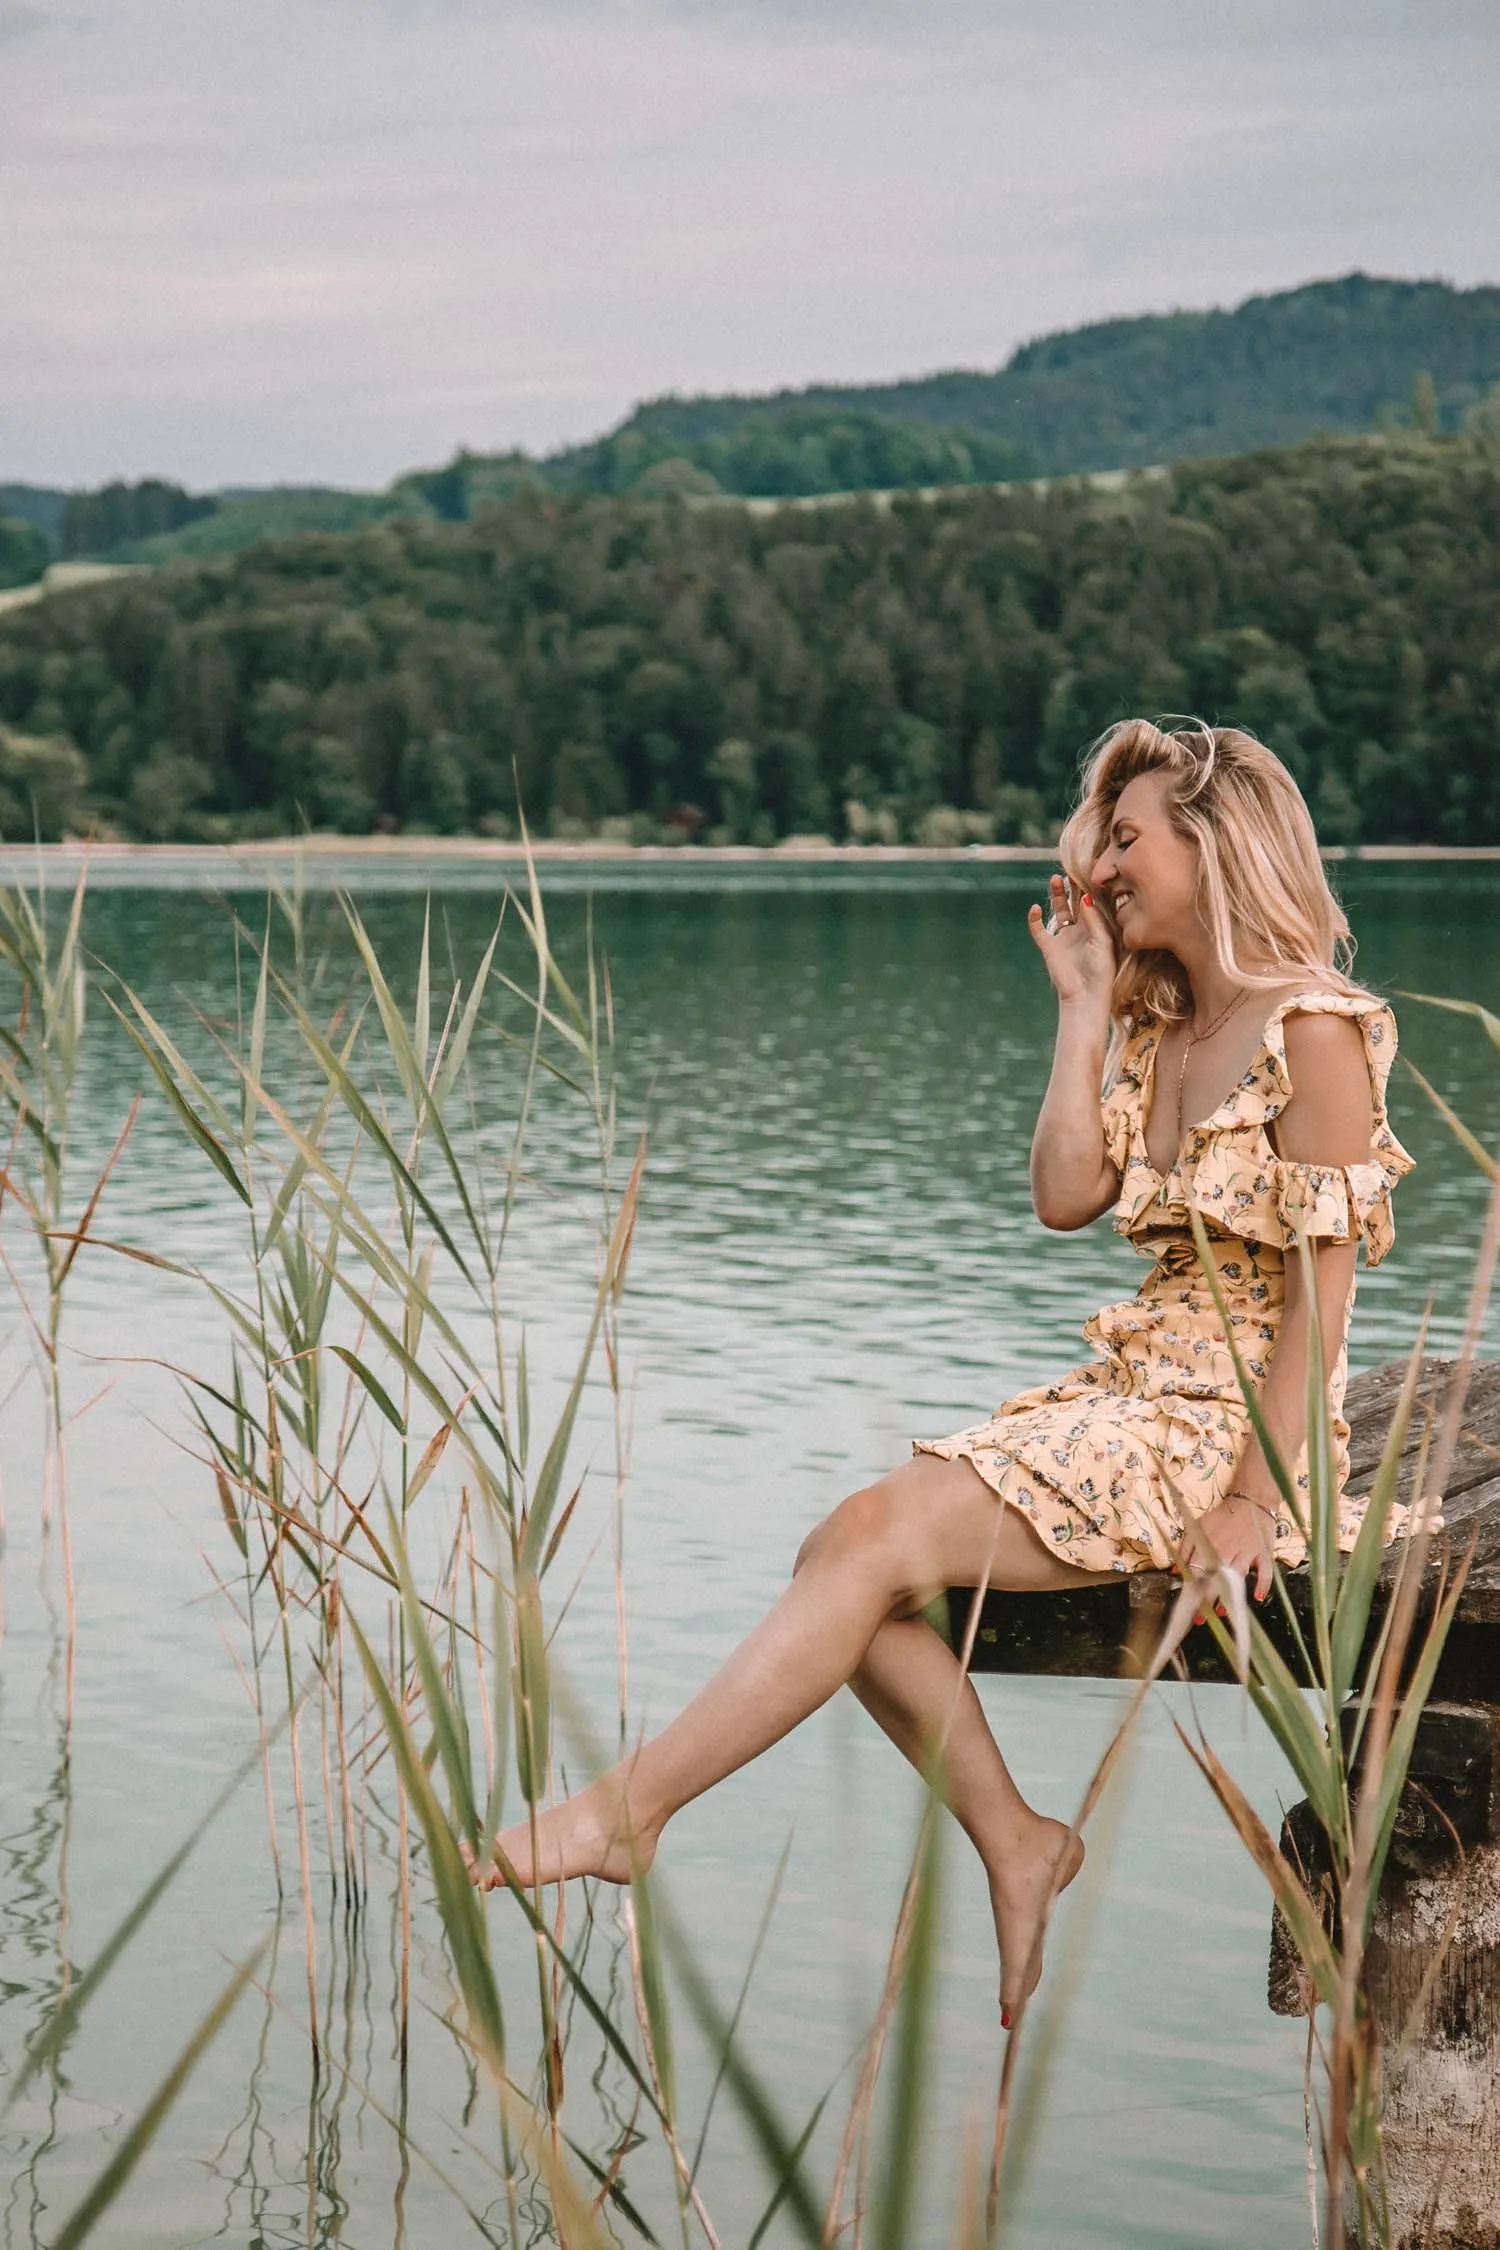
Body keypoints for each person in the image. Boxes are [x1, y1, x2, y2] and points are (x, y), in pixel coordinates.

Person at [468, 718, 1415, 2027]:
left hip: (1234, 1431)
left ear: (1216, 841)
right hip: (1130, 1398)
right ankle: (1016, 1838)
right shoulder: (1164, 1026)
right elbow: (1064, 1194)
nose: (1100, 870)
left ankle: (634, 1809)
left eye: (1125, 839)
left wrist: (1256, 1498)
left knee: (865, 1544)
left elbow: (1322, 1299)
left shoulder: (1316, 1028)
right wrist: (1081, 1010)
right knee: (844, 1554)